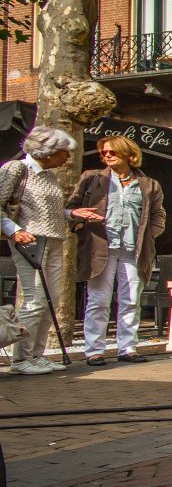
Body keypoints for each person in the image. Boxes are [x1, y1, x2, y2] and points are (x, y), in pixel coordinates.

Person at [65, 136, 166, 366]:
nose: (107, 155)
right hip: (100, 247)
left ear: (130, 155)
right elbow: (71, 208)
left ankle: (128, 348)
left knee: (131, 300)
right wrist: (80, 221)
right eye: (104, 152)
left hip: (134, 249)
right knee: (98, 300)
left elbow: (158, 214)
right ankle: (94, 351)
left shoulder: (149, 185)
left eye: (112, 152)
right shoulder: (91, 178)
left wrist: (151, 235)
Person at [0, 127, 75, 375]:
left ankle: (36, 355)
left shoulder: (49, 176)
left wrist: (72, 214)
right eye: (65, 152)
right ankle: (20, 360)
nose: (68, 158)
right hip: (30, 242)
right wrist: (14, 231)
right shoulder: (17, 169)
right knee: (34, 300)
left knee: (50, 300)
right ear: (47, 152)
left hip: (54, 241)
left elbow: (45, 211)